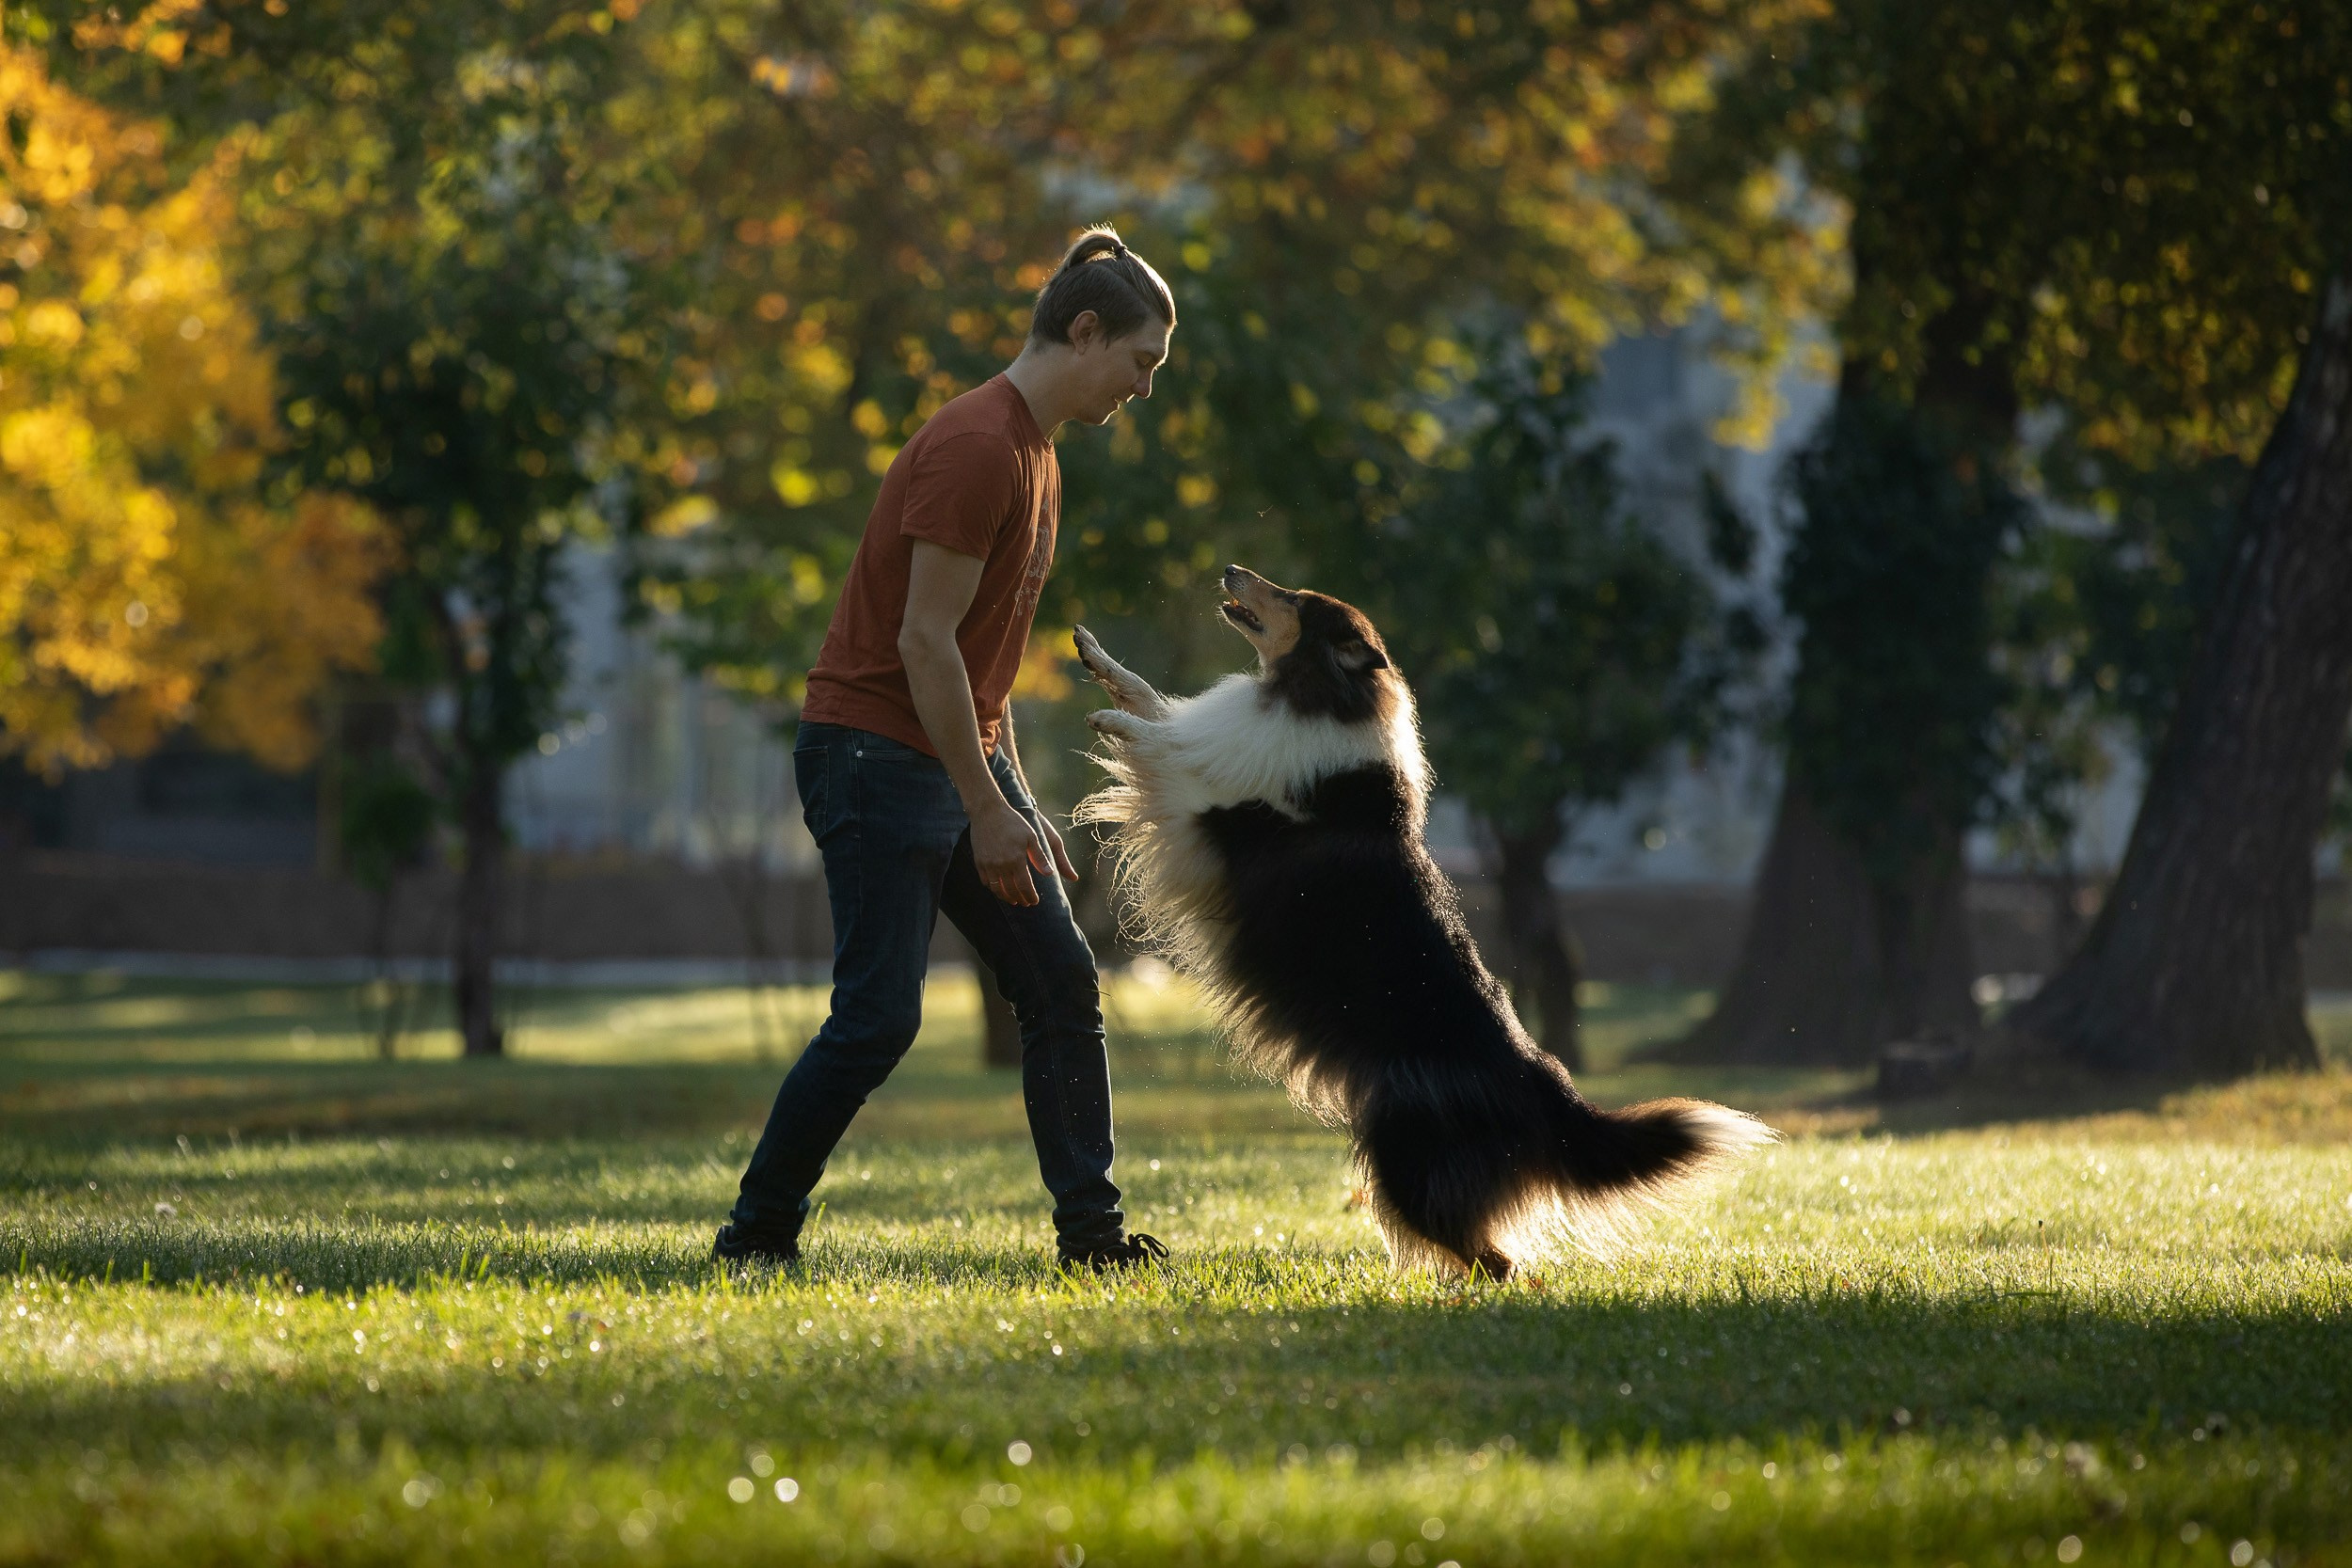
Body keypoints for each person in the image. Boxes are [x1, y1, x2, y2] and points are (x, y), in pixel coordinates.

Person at [714, 228, 1175, 1274]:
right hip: (873, 752)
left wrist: (1009, 792)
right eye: (1140, 361)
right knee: (878, 1017)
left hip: (952, 751)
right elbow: (922, 642)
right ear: (1085, 331)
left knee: (1059, 983)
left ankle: (1094, 1240)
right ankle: (756, 1233)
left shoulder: (1036, 454)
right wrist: (984, 802)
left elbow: (972, 664)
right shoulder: (977, 445)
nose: (1144, 388)